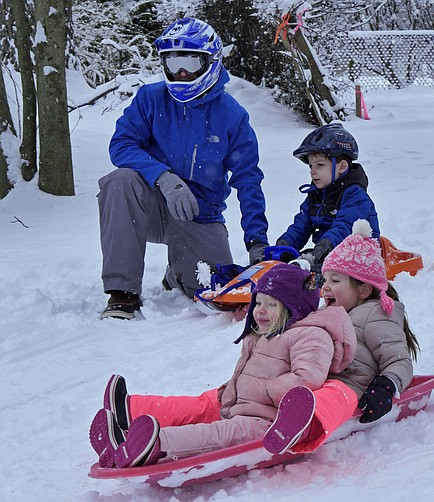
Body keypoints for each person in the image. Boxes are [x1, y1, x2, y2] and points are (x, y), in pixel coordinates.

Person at [89, 263, 356, 468]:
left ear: (293, 308)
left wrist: (267, 388)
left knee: (216, 433)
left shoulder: (311, 335)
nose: (259, 310)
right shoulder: (261, 334)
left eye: (271, 304)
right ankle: (125, 436)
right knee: (203, 412)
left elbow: (307, 379)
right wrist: (232, 392)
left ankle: (157, 444)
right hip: (241, 406)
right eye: (258, 302)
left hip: (268, 421)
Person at [98, 17, 269, 320]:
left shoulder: (232, 116)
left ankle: (179, 273)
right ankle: (122, 293)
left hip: (199, 215)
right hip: (149, 206)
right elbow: (121, 145)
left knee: (214, 292)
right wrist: (163, 177)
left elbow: (248, 179)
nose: (181, 72)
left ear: (210, 62)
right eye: (173, 61)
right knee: (119, 181)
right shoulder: (149, 99)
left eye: (191, 62)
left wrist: (257, 241)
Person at [262, 220, 420, 455]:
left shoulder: (374, 314)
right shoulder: (330, 314)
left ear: (364, 290)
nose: (325, 287)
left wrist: (388, 385)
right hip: (318, 382)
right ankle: (274, 416)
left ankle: (304, 425)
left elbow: (399, 360)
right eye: (325, 279)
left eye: (335, 281)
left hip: (352, 387)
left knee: (334, 394)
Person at [275, 123, 380, 272]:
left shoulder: (355, 194)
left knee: (312, 272)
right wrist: (285, 244)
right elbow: (301, 224)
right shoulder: (316, 195)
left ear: (342, 167)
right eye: (311, 166)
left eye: (320, 165)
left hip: (360, 257)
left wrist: (326, 244)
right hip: (327, 254)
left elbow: (345, 226)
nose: (313, 171)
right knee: (293, 265)